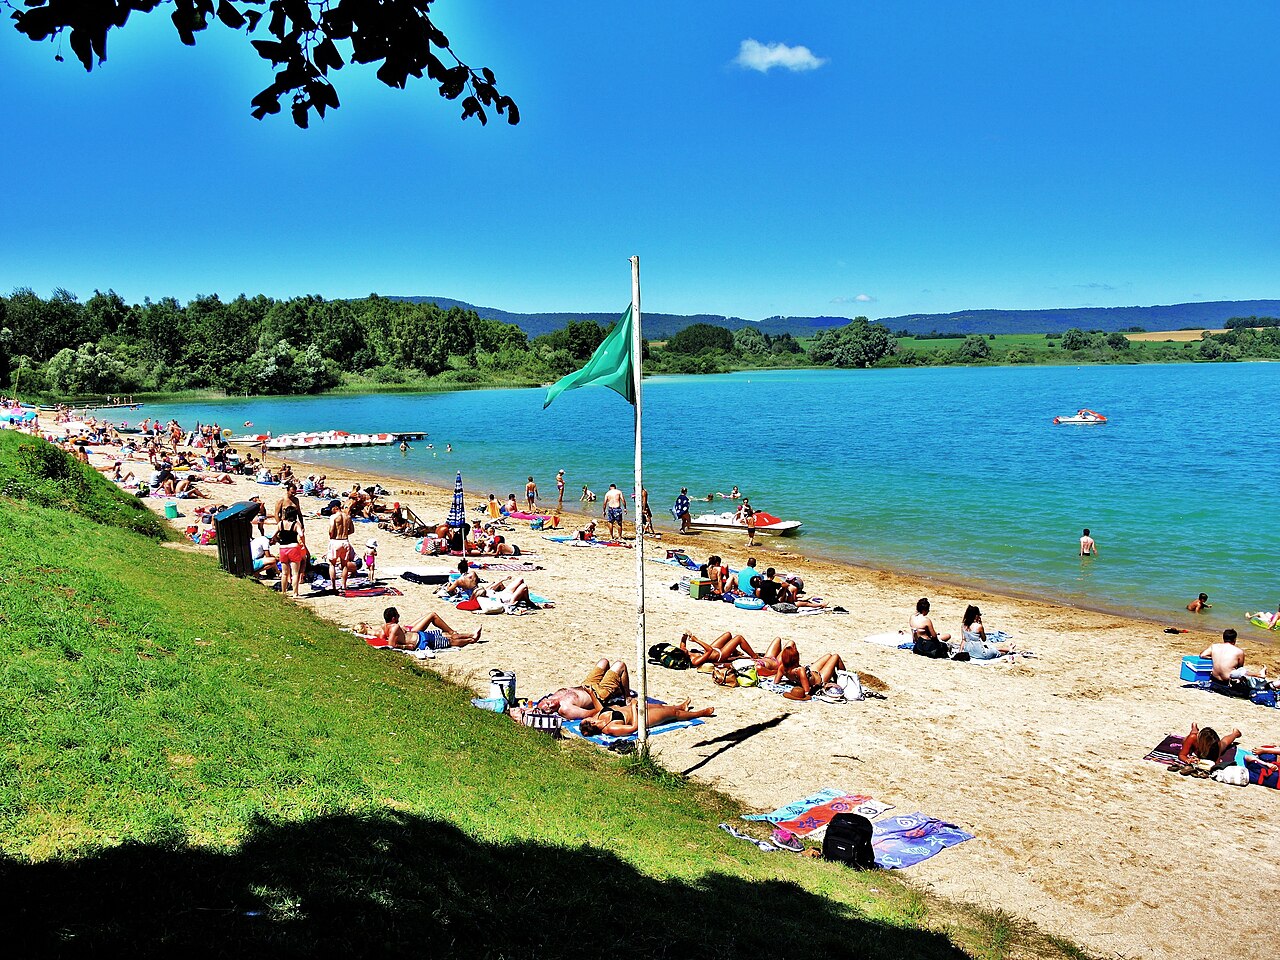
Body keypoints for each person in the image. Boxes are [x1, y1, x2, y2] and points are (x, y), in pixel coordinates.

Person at [525, 659, 632, 720]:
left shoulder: (549, 698)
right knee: (620, 665)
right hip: (599, 693)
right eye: (550, 708)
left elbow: (531, 709)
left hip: (587, 684)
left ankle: (615, 688)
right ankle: (627, 697)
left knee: (603, 662)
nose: (551, 704)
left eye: (547, 703)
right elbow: (591, 713)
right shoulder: (566, 709)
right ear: (552, 712)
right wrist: (604, 705)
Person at [578, 698, 714, 738]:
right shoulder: (610, 728)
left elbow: (600, 709)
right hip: (640, 717)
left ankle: (680, 706)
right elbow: (634, 727)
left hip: (634, 708)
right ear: (593, 724)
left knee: (662, 707)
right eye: (589, 721)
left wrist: (591, 693)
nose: (591, 718)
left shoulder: (599, 717)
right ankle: (700, 713)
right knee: (673, 715)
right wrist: (633, 707)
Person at [377, 606, 481, 651]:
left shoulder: (384, 627)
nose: (399, 616)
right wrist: (407, 647)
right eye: (398, 615)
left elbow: (383, 638)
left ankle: (471, 635)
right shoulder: (395, 627)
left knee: (446, 635)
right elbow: (391, 645)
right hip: (421, 641)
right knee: (450, 641)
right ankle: (471, 640)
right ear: (394, 618)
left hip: (421, 636)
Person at [1201, 629, 1266, 685]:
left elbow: (1202, 655)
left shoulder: (1214, 646)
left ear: (1223, 638)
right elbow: (1240, 667)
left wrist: (1214, 658)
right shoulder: (1238, 651)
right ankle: (1259, 674)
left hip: (1214, 678)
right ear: (1234, 639)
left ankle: (1259, 674)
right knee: (1241, 671)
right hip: (1227, 680)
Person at [276, 504, 308, 597]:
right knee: (295, 573)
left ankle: (283, 592)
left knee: (285, 573)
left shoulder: (281, 523)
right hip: (293, 547)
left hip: (283, 548)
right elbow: (301, 534)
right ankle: (295, 593)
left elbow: (274, 534)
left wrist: (279, 539)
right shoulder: (296, 523)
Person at [678, 630, 759, 666]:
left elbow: (683, 643)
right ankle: (755, 656)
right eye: (683, 651)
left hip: (714, 649)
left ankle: (735, 652)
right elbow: (709, 650)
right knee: (739, 638)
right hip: (719, 655)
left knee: (728, 635)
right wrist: (697, 640)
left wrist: (685, 635)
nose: (684, 649)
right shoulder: (694, 661)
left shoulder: (684, 652)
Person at [1176, 722, 1242, 765]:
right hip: (1195, 741)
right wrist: (1187, 760)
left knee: (1224, 743)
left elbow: (1217, 761)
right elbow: (1182, 754)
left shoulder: (1216, 744)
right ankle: (1194, 729)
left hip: (1206, 745)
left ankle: (1235, 734)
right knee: (1187, 739)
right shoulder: (1193, 738)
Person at [328, 503, 356, 591]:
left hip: (336, 541)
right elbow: (352, 530)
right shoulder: (348, 517)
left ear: (335, 507)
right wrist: (344, 534)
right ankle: (343, 585)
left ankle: (333, 586)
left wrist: (332, 535)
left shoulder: (333, 517)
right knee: (344, 565)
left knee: (332, 564)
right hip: (345, 541)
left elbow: (331, 529)